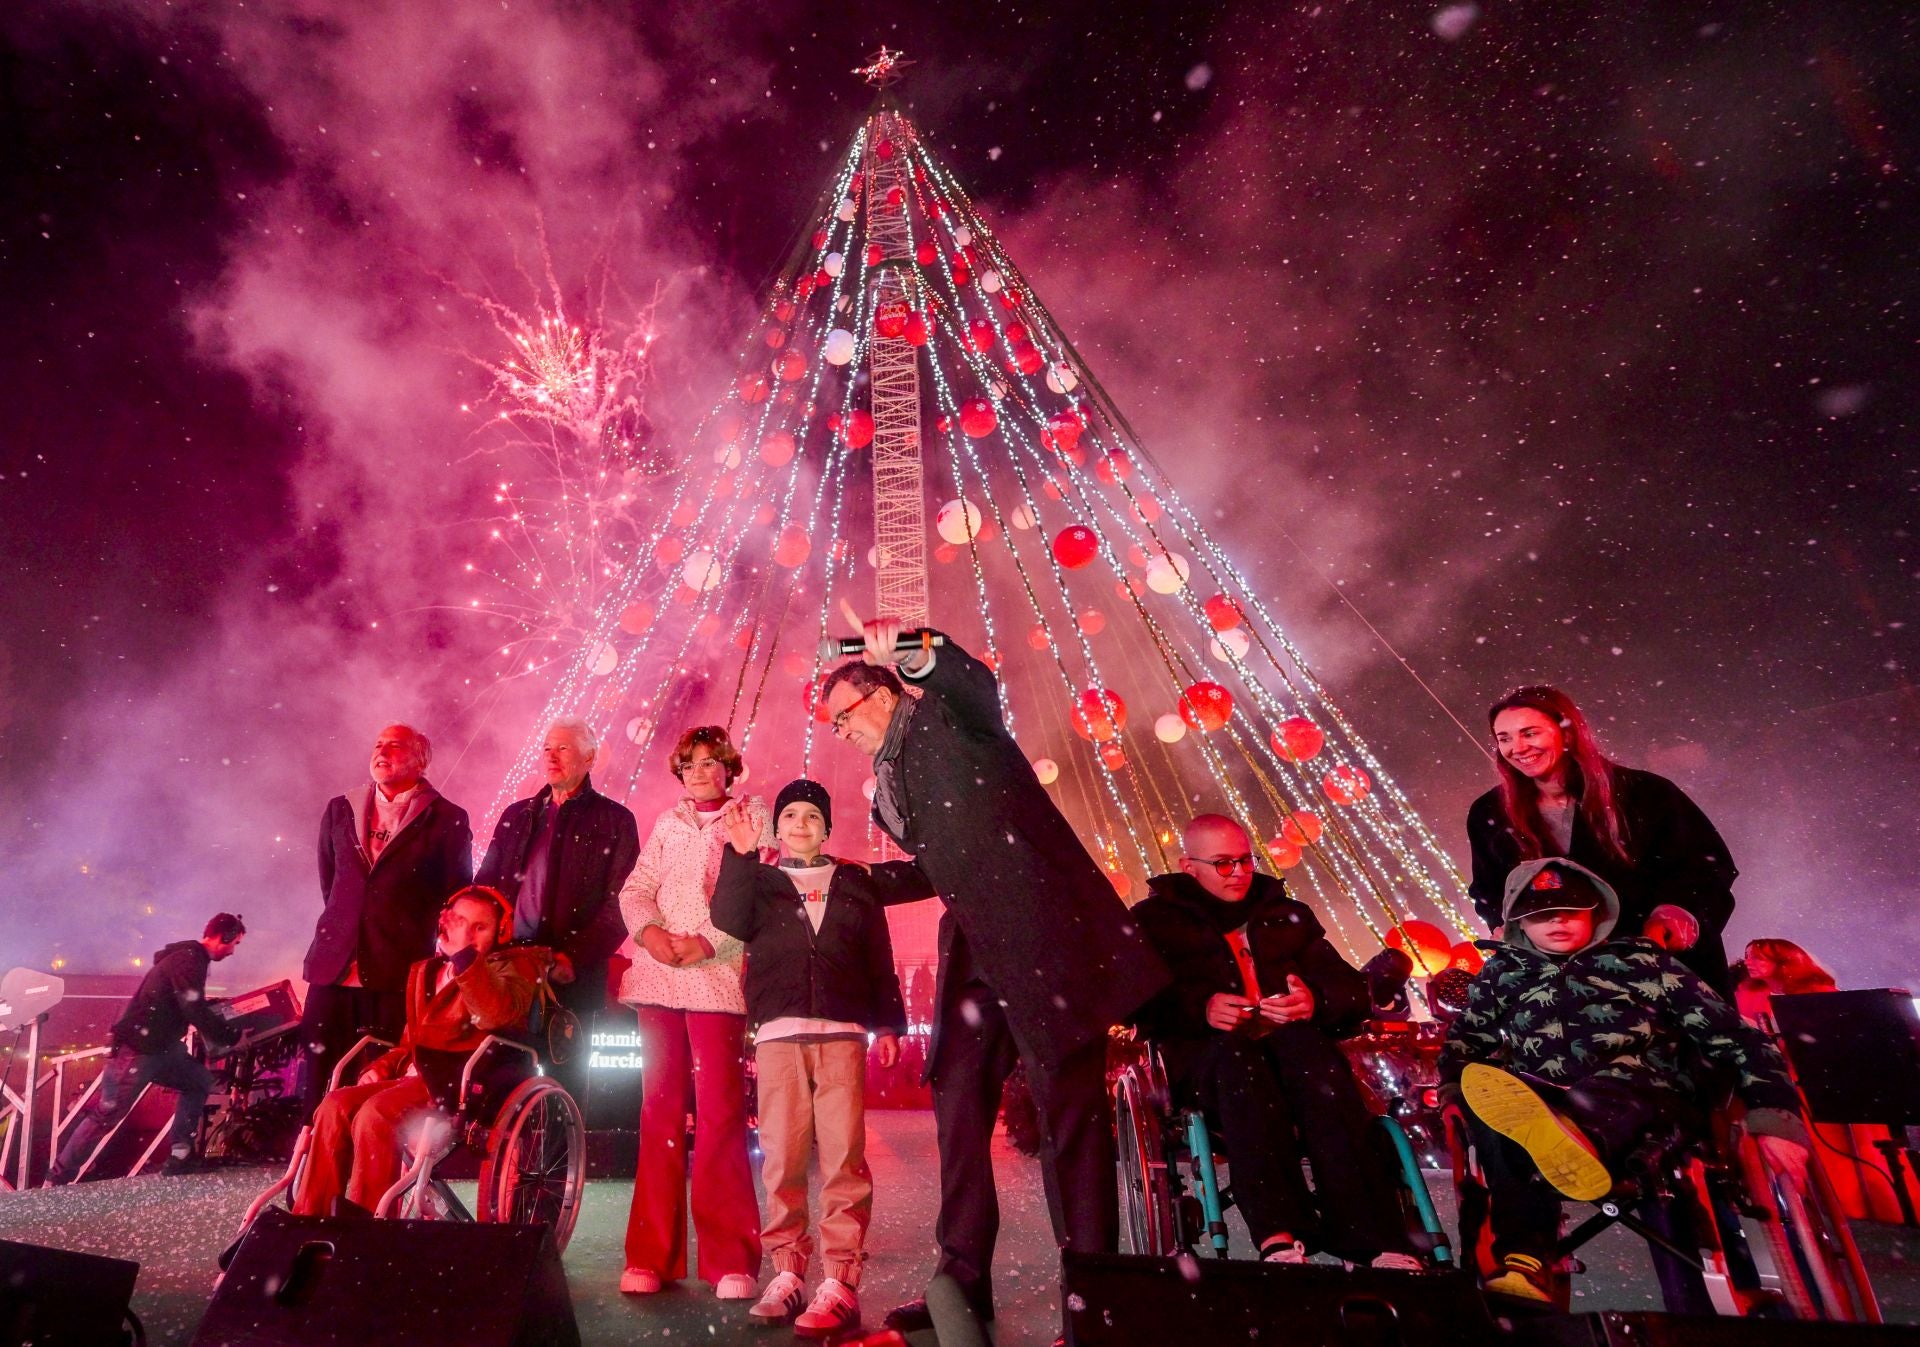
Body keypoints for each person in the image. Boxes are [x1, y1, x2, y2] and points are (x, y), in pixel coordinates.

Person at [819, 619, 1169, 1333]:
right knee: (958, 1110)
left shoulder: (949, 719)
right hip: (974, 952)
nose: (839, 733)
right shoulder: (886, 786)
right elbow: (935, 866)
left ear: (879, 694)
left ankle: (1092, 1292)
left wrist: (919, 649)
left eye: (841, 718)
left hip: (1046, 943)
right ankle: (961, 1280)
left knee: (1068, 1117)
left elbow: (972, 682)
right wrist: (848, 878)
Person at [1440, 858, 1810, 1303]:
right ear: (1518, 922)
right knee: (1495, 1103)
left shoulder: (1641, 960)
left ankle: (1577, 1142)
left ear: (1597, 912)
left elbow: (1731, 1035)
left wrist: (1775, 1115)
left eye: (1571, 910)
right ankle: (1525, 1258)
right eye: (1541, 913)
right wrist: (1452, 1093)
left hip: (1643, 1098)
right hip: (1539, 1099)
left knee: (1612, 1087)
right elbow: (1464, 1042)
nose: (1558, 920)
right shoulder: (1501, 976)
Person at [1133, 815, 1423, 1268]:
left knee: (1313, 1060)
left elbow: (1349, 989)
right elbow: (1135, 999)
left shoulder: (1285, 914)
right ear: (1189, 867)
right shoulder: (1153, 921)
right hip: (1211, 1061)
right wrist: (1201, 1007)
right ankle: (1279, 1234)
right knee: (1239, 1062)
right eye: (1223, 864)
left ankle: (1370, 1239)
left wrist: (1315, 1000)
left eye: (1245, 860)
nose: (1239, 873)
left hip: (1291, 1054)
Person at [712, 778, 934, 1336]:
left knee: (843, 1159)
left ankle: (840, 1280)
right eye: (790, 816)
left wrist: (888, 1022)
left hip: (840, 1034)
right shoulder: (760, 881)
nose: (801, 824)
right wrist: (739, 853)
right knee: (783, 1158)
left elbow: (877, 956)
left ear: (828, 827)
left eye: (813, 815)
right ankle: (787, 1272)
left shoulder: (854, 882)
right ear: (777, 828)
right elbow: (728, 920)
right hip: (780, 1034)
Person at [615, 726, 767, 1302]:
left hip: (716, 978)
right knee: (658, 1114)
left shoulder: (751, 819)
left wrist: (705, 941)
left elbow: (753, 892)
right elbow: (636, 889)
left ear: (730, 768)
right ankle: (651, 1256)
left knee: (723, 1114)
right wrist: (651, 935)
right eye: (690, 765)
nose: (701, 772)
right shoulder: (666, 823)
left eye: (711, 763)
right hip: (656, 977)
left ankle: (730, 1257)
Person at [292, 886, 550, 1218]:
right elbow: (409, 1042)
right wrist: (384, 1067)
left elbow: (494, 1015)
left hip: (461, 1085)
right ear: (445, 923)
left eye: (480, 927)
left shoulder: (515, 966)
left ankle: (368, 1220)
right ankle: (308, 1216)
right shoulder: (424, 972)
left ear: (502, 930)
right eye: (461, 923)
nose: (468, 935)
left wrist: (464, 959)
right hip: (417, 1079)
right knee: (334, 1105)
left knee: (376, 1113)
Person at [1466, 685, 1740, 994]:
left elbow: (1705, 867)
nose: (1517, 748)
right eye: (1504, 739)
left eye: (1530, 733)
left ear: (1567, 734)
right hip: (1565, 985)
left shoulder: (1646, 794)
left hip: (1661, 974)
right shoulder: (1489, 812)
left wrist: (1676, 910)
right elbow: (1489, 889)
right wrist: (1501, 927)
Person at [299, 724, 473, 1121]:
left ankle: (372, 1179)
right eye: (378, 744)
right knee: (318, 1081)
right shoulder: (340, 807)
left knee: (378, 1084)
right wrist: (350, 929)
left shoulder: (447, 818)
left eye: (395, 746)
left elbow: (455, 895)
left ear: (421, 759)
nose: (382, 752)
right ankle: (310, 1178)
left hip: (396, 973)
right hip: (333, 969)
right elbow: (333, 883)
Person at [476, 716, 640, 1108]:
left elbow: (622, 903)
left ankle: (557, 1168)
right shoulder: (517, 815)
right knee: (500, 1076)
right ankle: (505, 1165)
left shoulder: (615, 821)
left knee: (562, 1082)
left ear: (590, 758)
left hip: (571, 974)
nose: (551, 756)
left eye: (563, 748)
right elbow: (485, 887)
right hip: (509, 971)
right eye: (547, 748)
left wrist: (573, 957)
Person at [48, 914, 246, 1183]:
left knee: (198, 1080)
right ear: (222, 936)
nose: (233, 950)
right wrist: (231, 1037)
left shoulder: (190, 959)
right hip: (137, 1050)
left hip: (162, 1048)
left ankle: (180, 1156)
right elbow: (192, 1006)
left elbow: (188, 1005)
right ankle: (58, 1176)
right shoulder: (189, 959)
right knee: (107, 1115)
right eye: (233, 943)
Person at [1735, 938, 1837, 1026]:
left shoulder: (1820, 992)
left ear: (1781, 960)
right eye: (1746, 957)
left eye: (1756, 958)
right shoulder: (1747, 992)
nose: (1746, 962)